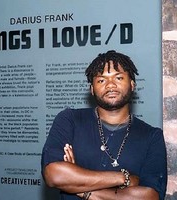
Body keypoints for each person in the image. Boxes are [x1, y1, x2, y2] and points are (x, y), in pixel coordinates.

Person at [41, 50, 167, 200]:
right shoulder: (70, 120)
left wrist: (78, 186)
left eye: (118, 78)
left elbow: (149, 196)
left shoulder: (151, 135)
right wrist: (124, 178)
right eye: (101, 80)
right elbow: (54, 175)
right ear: (92, 89)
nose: (110, 85)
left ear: (132, 85)